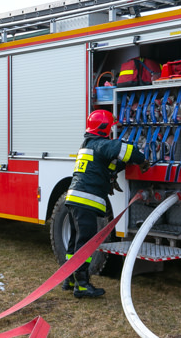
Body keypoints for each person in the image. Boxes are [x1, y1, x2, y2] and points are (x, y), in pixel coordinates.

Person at [63, 109, 148, 298]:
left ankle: (69, 278)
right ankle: (82, 285)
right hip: (85, 201)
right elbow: (125, 150)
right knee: (85, 244)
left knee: (75, 242)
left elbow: (109, 165)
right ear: (104, 128)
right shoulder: (102, 144)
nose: (111, 131)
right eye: (110, 127)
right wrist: (142, 159)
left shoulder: (89, 145)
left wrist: (121, 165)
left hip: (74, 200)